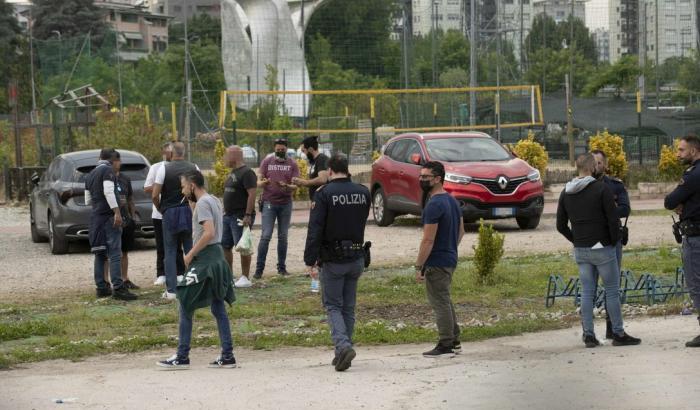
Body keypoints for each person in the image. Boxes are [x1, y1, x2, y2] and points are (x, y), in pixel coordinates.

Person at [557, 153, 640, 348]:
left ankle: (588, 335)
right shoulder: (601, 188)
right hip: (603, 247)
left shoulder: (566, 192)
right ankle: (618, 333)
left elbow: (560, 225)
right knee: (611, 291)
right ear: (593, 167)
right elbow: (612, 219)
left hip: (581, 249)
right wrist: (612, 241)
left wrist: (575, 239)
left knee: (587, 292)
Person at [157, 170, 237, 369]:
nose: (183, 191)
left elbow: (208, 233)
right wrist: (191, 202)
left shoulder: (202, 204)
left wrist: (190, 253)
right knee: (218, 307)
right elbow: (207, 225)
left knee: (184, 301)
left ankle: (182, 356)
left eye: (184, 186)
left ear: (192, 185)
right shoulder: (213, 200)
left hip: (206, 260)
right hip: (218, 257)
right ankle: (227, 355)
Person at [304, 154, 370, 371]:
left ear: (330, 171)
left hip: (333, 259)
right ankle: (344, 349)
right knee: (348, 307)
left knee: (333, 305)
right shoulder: (363, 192)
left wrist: (310, 259)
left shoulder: (324, 194)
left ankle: (342, 347)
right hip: (357, 256)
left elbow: (315, 230)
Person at [414, 161, 464, 358]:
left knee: (440, 302)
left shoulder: (434, 204)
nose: (422, 180)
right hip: (449, 258)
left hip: (436, 262)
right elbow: (461, 231)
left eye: (426, 177)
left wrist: (419, 266)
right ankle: (455, 340)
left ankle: (446, 344)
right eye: (421, 176)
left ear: (437, 179)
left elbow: (428, 239)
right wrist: (450, 248)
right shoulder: (452, 201)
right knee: (445, 299)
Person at [84, 148, 137, 301]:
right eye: (118, 161)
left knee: (100, 252)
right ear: (112, 160)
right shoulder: (107, 171)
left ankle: (101, 287)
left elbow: (88, 200)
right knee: (115, 253)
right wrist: (117, 213)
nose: (119, 164)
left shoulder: (90, 174)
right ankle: (118, 288)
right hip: (108, 217)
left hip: (96, 217)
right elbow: (108, 191)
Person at [664, 135, 700, 348]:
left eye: (681, 150)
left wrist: (683, 203)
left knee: (696, 284)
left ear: (694, 152)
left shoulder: (693, 175)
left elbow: (670, 201)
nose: (678, 154)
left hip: (696, 237)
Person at [591, 149, 631, 339]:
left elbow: (625, 208)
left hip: (612, 240)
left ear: (605, 165)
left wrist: (606, 210)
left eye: (599, 162)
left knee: (612, 286)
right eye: (592, 162)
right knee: (590, 284)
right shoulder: (582, 186)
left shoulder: (615, 186)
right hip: (592, 242)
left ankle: (611, 327)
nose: (596, 166)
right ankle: (588, 332)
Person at [152, 142, 198, 300]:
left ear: (171, 153)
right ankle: (194, 285)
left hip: (170, 211)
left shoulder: (163, 168)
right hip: (187, 210)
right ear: (184, 152)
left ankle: (171, 291)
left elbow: (154, 194)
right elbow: (200, 191)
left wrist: (161, 208)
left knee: (170, 251)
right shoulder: (194, 167)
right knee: (190, 248)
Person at [253, 138, 299, 279]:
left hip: (286, 203)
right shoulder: (267, 161)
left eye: (282, 149)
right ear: (274, 149)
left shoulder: (292, 164)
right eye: (278, 149)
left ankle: (282, 268)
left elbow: (295, 185)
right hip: (269, 203)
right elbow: (258, 182)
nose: (280, 151)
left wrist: (286, 186)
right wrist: (264, 182)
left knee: (283, 236)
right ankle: (259, 270)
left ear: (286, 149)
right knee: (266, 235)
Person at [145, 143, 185, 286]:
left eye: (172, 151)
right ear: (164, 152)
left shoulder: (185, 166)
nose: (170, 153)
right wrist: (161, 186)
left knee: (179, 243)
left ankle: (180, 271)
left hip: (178, 210)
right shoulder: (157, 167)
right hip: (159, 212)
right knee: (162, 244)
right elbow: (147, 187)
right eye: (168, 150)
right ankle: (161, 273)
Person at [222, 145, 258, 287]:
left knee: (243, 246)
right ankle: (229, 276)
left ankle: (245, 277)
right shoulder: (232, 172)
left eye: (226, 155)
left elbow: (252, 194)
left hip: (240, 215)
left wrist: (247, 215)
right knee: (225, 245)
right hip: (228, 215)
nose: (225, 158)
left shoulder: (247, 173)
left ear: (234, 155)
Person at [292, 136, 329, 200]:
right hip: (316, 200)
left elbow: (323, 179)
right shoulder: (314, 161)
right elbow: (313, 182)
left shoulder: (321, 159)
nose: (304, 154)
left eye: (304, 151)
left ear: (311, 149)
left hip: (322, 200)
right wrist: (301, 182)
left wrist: (305, 182)